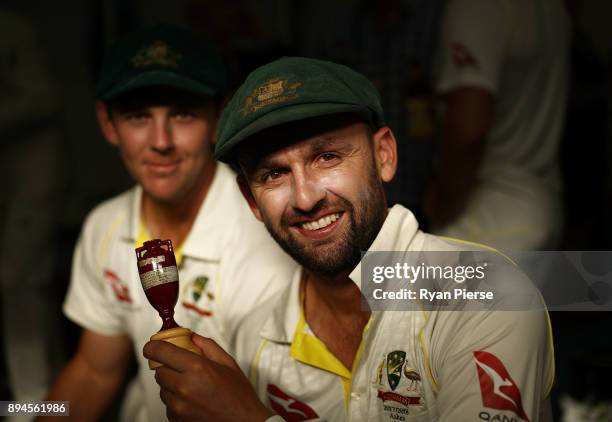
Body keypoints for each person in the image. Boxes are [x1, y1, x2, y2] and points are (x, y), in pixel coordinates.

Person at [144, 57, 554, 421]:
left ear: (384, 156)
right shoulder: (254, 340)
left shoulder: (488, 295)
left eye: (327, 156)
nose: (305, 198)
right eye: (274, 174)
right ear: (251, 201)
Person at [42, 25, 295, 422]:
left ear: (218, 118)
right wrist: (14, 409)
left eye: (182, 113)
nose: (160, 141)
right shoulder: (104, 226)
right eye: (138, 116)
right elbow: (94, 372)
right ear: (108, 124)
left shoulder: (269, 230)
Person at [424, 0, 570, 250]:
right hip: (538, 206)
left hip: (487, 219)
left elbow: (469, 130)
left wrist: (443, 201)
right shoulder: (552, 7)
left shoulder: (477, 7)